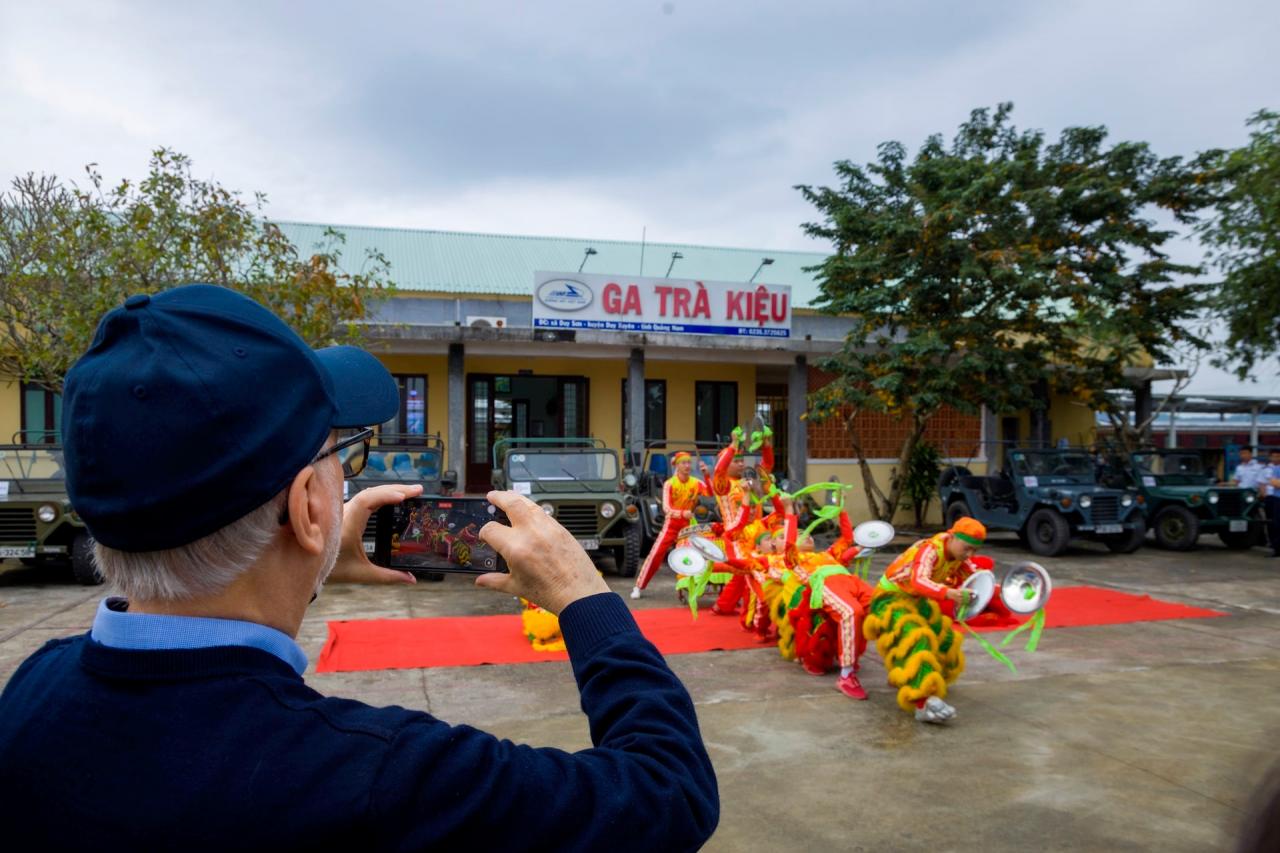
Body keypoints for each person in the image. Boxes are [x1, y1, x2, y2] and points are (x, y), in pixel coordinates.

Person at [0, 285, 718, 850]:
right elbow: (668, 791)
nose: (346, 476)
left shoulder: (31, 696)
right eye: (340, 456)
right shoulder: (383, 776)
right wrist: (586, 597)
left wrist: (302, 568)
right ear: (309, 506)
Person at [863, 517, 989, 724]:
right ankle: (923, 701)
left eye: (974, 550)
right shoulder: (930, 550)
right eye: (967, 549)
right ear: (952, 537)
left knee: (944, 637)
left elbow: (977, 578)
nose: (970, 555)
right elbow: (918, 580)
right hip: (889, 598)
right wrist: (947, 593)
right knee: (916, 637)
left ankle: (929, 680)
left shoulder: (959, 556)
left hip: (917, 599)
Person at [631, 451, 708, 599]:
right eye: (683, 463)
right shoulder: (669, 484)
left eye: (688, 462)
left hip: (688, 526)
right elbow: (666, 508)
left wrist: (706, 475)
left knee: (695, 555)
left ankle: (694, 587)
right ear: (677, 466)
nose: (687, 466)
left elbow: (711, 492)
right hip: (671, 525)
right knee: (655, 555)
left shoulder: (696, 482)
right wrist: (682, 513)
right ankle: (638, 587)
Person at [1263, 448, 1280, 558]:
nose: (1276, 458)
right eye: (1274, 456)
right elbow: (1274, 483)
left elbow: (1276, 483)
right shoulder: (1275, 469)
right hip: (1276, 498)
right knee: (1275, 524)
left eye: (1278, 456)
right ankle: (1276, 548)